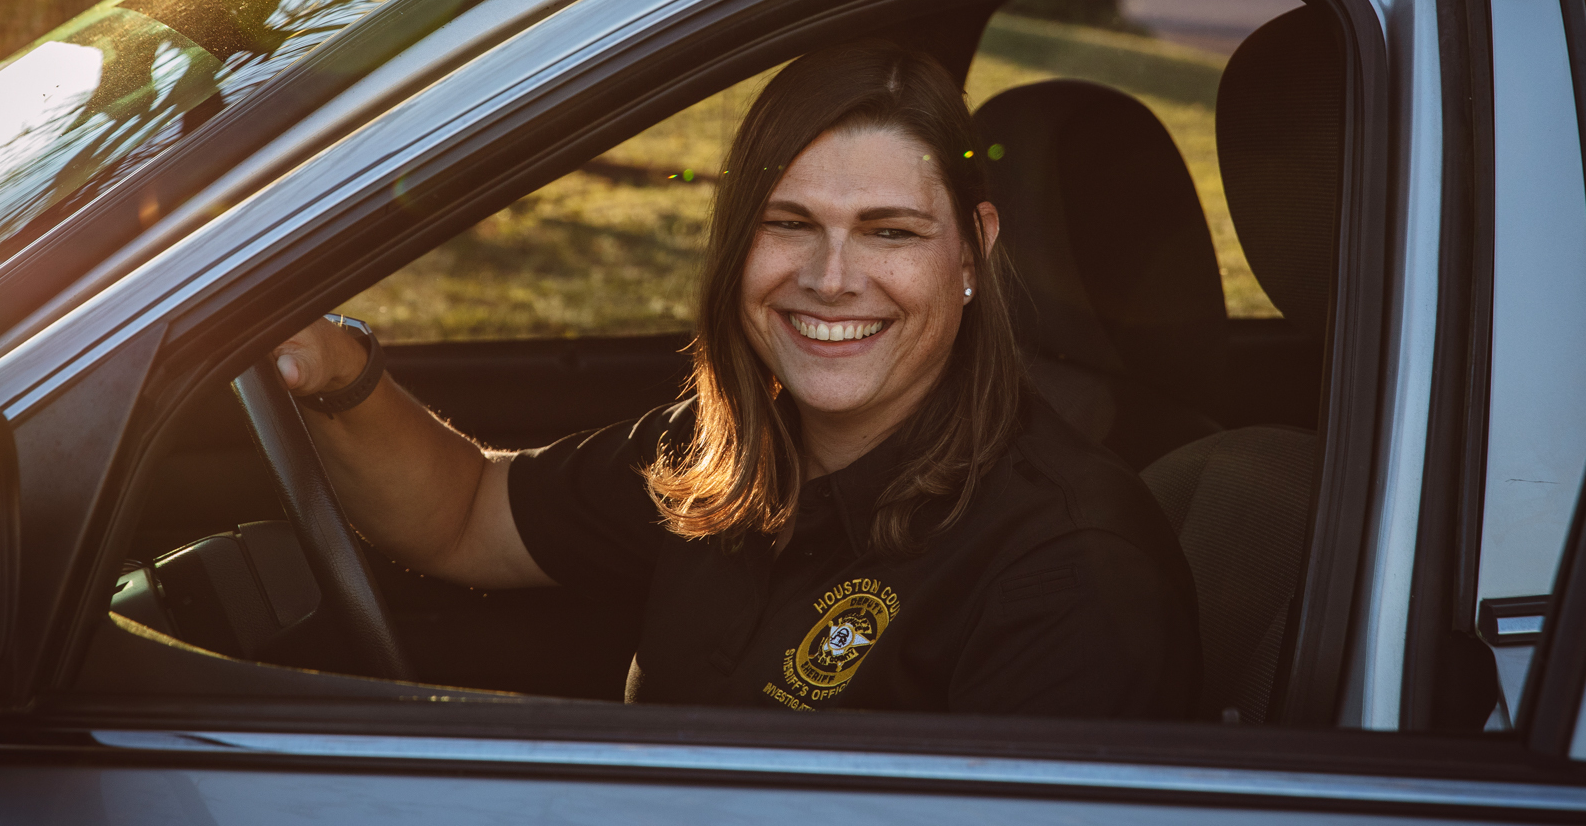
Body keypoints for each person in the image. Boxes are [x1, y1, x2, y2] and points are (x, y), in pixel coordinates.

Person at [274, 40, 1199, 716]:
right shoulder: (724, 448)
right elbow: (466, 511)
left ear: (971, 251)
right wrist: (332, 369)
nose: (830, 277)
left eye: (890, 231)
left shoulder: (1067, 569)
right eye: (788, 222)